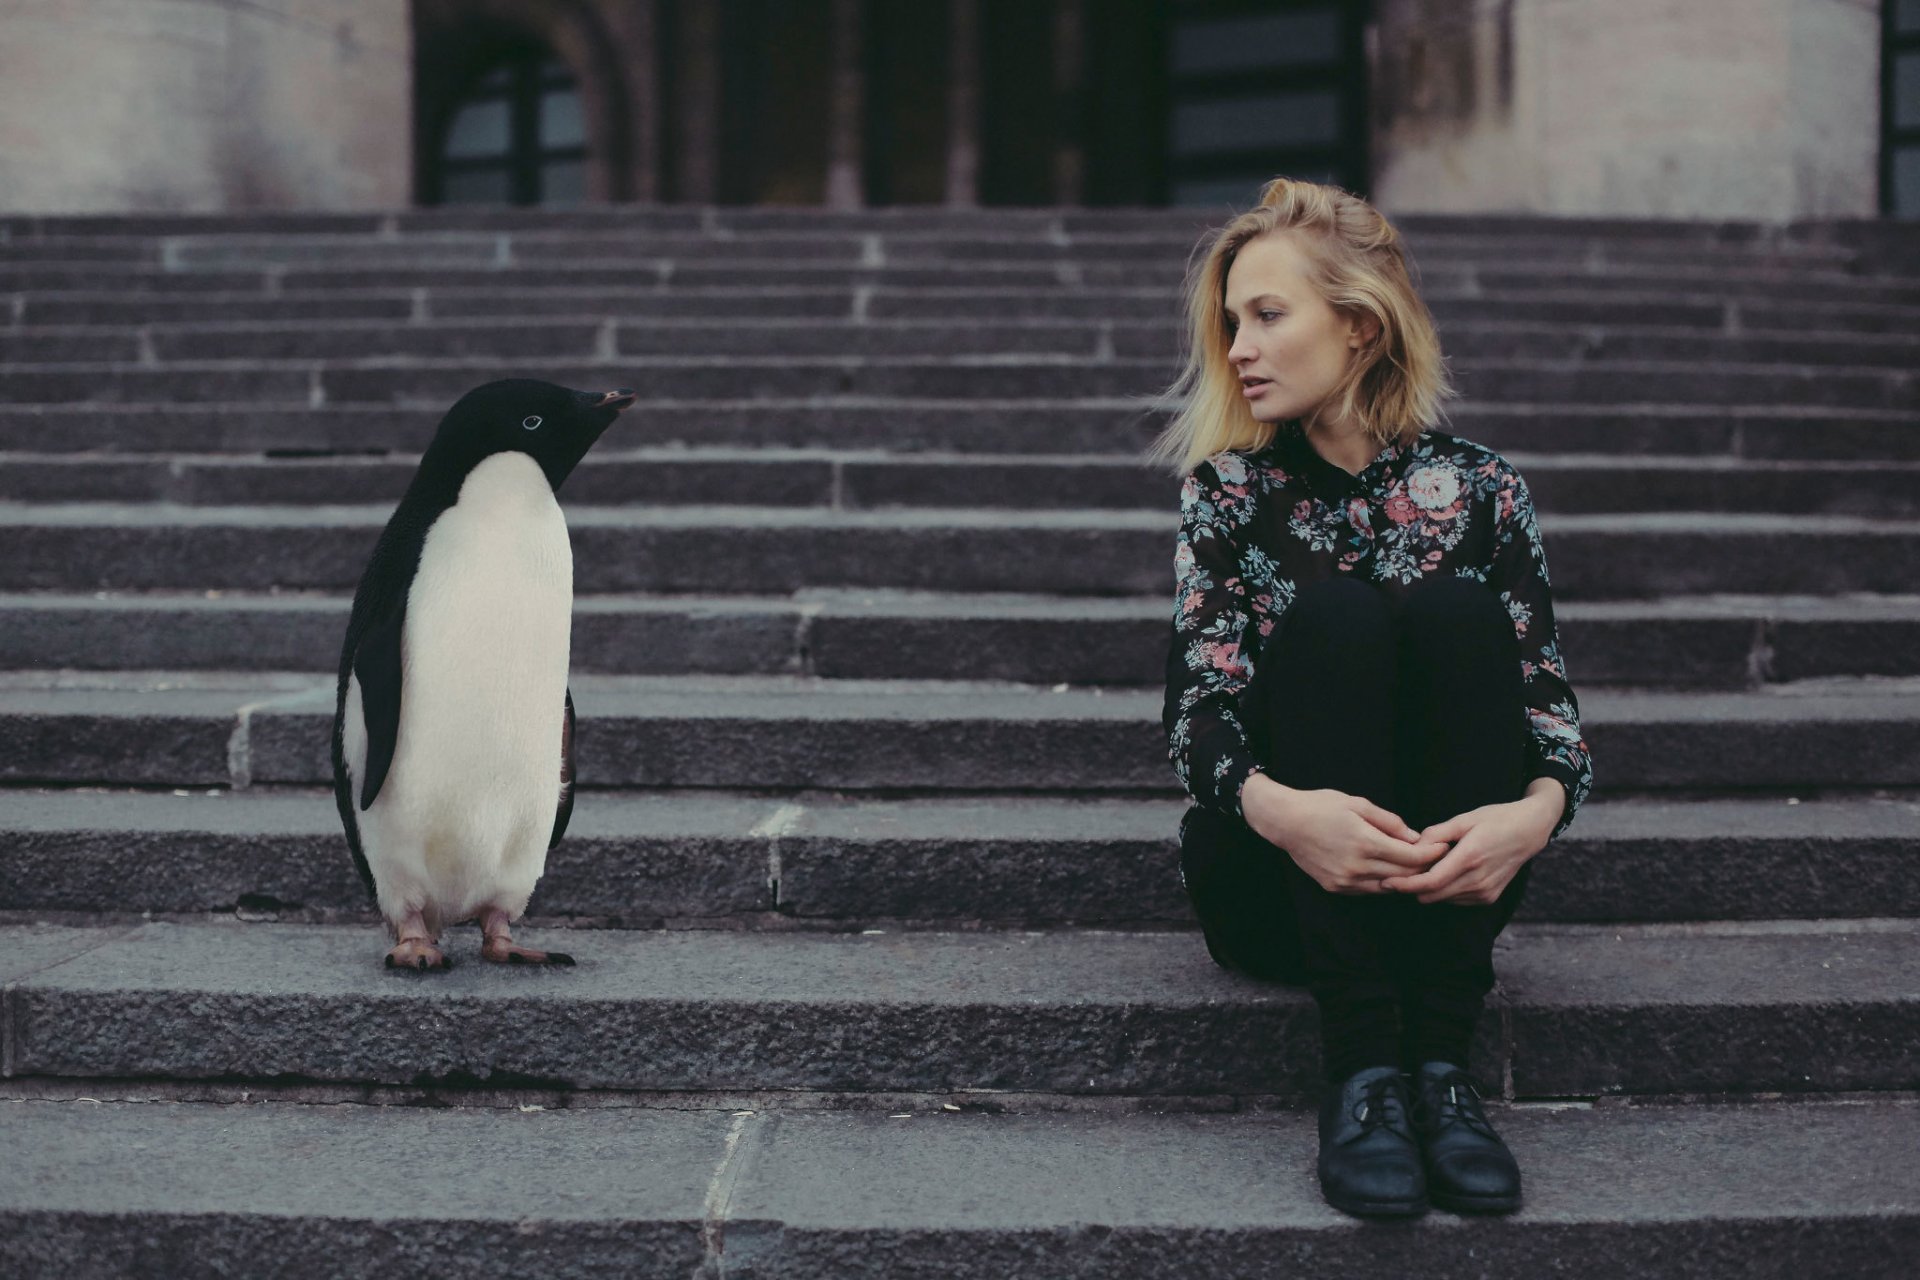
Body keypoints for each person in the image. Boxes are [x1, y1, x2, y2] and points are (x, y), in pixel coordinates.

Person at [1155, 177, 1594, 1219]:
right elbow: (1198, 714)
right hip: (1280, 886)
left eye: (1267, 313)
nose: (1240, 346)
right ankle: (1361, 1073)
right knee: (1339, 617)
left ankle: (1441, 1069)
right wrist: (1286, 811)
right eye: (1231, 322)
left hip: (1448, 885)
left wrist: (1529, 819)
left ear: (1356, 324)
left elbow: (1552, 720)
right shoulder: (1228, 490)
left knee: (1454, 613)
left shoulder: (1482, 487)